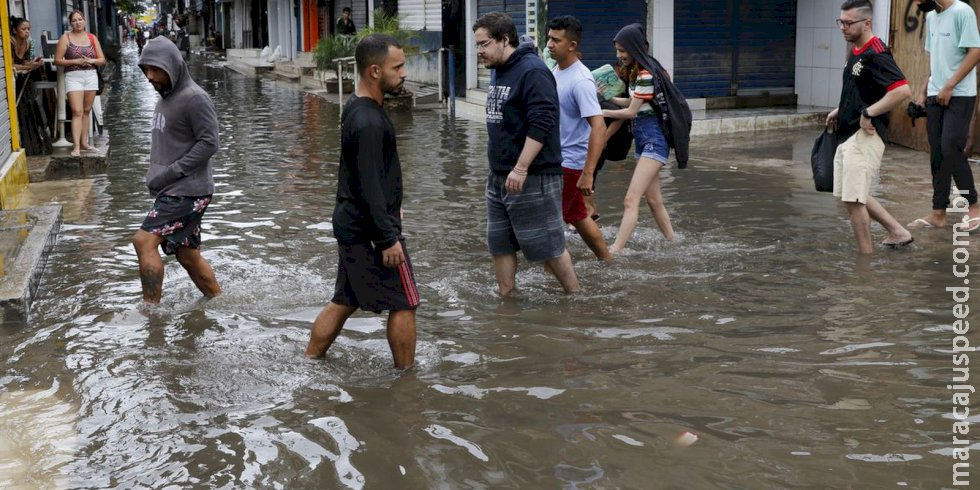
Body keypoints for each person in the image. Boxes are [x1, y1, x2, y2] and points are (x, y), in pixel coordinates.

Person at [304, 34, 419, 369]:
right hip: (371, 232)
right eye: (397, 67)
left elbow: (367, 177)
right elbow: (369, 184)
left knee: (345, 299)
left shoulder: (356, 107)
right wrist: (388, 237)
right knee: (405, 301)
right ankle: (406, 379)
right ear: (374, 71)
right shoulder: (368, 120)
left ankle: (310, 362)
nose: (404, 73)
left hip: (354, 224)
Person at [473, 12, 580, 296]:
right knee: (500, 243)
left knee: (548, 246)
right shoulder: (498, 67)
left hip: (533, 176)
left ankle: (577, 298)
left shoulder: (533, 71)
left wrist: (521, 167)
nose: (479, 51)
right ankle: (507, 299)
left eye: (484, 44)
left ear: (504, 39)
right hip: (498, 176)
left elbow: (543, 122)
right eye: (477, 45)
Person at [132, 37, 221, 304]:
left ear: (172, 66)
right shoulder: (166, 97)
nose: (150, 76)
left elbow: (210, 143)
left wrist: (172, 172)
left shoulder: (194, 98)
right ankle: (219, 302)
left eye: (156, 70)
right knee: (187, 255)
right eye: (146, 69)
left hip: (187, 190)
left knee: (143, 241)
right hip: (174, 188)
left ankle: (151, 315)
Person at [825, 0, 914, 253]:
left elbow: (902, 90)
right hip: (849, 132)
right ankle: (898, 232)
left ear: (867, 23)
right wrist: (841, 110)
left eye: (848, 23)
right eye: (840, 22)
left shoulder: (876, 52)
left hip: (866, 134)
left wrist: (869, 112)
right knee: (852, 195)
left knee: (854, 200)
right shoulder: (855, 49)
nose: (843, 27)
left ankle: (864, 261)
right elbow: (861, 89)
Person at [907, 0, 980, 231]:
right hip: (935, 93)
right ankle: (938, 213)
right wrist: (922, 90)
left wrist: (949, 85)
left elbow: (976, 51)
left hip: (960, 93)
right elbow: (936, 60)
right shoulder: (931, 17)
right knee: (937, 152)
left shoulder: (962, 12)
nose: (917, 2)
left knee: (951, 148)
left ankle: (974, 207)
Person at [602, 24, 676, 251]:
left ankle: (615, 250)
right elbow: (634, 103)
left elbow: (631, 112)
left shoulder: (645, 74)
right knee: (653, 201)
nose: (619, 56)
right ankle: (673, 242)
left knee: (630, 199)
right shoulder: (640, 73)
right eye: (617, 50)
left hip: (654, 141)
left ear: (634, 48)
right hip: (645, 141)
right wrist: (607, 96)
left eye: (623, 50)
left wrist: (601, 112)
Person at [546, 16, 611, 261]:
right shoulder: (556, 70)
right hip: (557, 158)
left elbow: (598, 127)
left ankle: (558, 275)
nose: (550, 44)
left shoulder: (580, 80)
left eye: (556, 40)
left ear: (572, 45)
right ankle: (607, 260)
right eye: (549, 38)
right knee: (578, 216)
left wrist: (588, 172)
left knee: (549, 222)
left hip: (569, 163)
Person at [53, 10, 106, 158]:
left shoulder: (92, 37)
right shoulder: (66, 38)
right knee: (77, 111)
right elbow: (57, 60)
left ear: (84, 21)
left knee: (87, 110)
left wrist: (92, 61)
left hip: (90, 75)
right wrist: (74, 61)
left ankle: (84, 143)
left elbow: (102, 59)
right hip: (73, 76)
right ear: (71, 23)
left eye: (80, 19)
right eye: (74, 20)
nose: (78, 22)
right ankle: (76, 146)